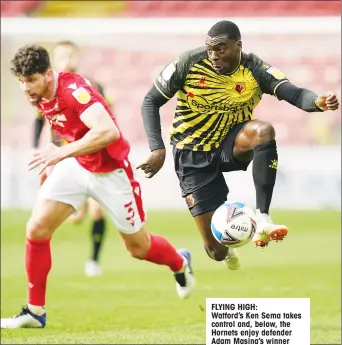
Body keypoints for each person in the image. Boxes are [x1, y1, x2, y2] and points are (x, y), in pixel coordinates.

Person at [1, 45, 195, 329]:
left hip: (112, 172)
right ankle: (34, 311)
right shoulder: (39, 93)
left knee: (138, 248)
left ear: (47, 73)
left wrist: (61, 153)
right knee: (37, 229)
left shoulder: (74, 90)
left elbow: (108, 131)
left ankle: (179, 262)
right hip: (77, 165)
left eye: (30, 80)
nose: (25, 87)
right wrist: (56, 160)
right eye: (21, 81)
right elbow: (66, 128)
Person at [138, 20, 339, 269]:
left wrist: (317, 102)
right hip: (192, 152)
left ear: (238, 46)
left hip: (230, 142)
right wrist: (157, 148)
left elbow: (295, 93)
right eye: (210, 49)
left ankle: (263, 218)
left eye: (221, 49)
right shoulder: (187, 63)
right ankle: (212, 254)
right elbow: (150, 101)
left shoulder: (254, 68)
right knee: (217, 250)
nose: (214, 55)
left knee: (263, 131)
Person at [33, 41, 108, 277]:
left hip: (93, 153)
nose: (66, 59)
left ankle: (93, 261)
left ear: (76, 57)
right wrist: (40, 151)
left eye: (69, 54)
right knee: (74, 218)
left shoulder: (91, 86)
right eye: (61, 55)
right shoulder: (46, 91)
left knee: (97, 212)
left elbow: (107, 120)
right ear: (54, 60)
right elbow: (41, 123)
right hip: (66, 157)